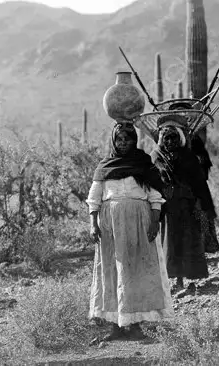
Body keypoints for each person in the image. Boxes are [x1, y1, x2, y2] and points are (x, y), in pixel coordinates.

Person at [87, 122, 173, 341]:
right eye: (119, 139)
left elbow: (155, 196)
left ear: (134, 141)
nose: (123, 143)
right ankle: (115, 326)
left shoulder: (144, 165)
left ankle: (134, 325)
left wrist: (154, 222)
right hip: (111, 227)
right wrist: (93, 224)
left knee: (136, 270)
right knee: (113, 271)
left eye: (127, 139)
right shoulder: (105, 166)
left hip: (139, 224)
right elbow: (94, 198)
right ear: (114, 141)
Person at [152, 116, 217, 290]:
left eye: (174, 137)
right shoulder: (156, 156)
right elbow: (152, 181)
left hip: (188, 207)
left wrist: (203, 206)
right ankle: (173, 279)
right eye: (166, 138)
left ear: (180, 138)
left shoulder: (188, 157)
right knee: (171, 242)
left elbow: (199, 183)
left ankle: (186, 277)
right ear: (161, 139)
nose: (170, 141)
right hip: (168, 208)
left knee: (188, 241)